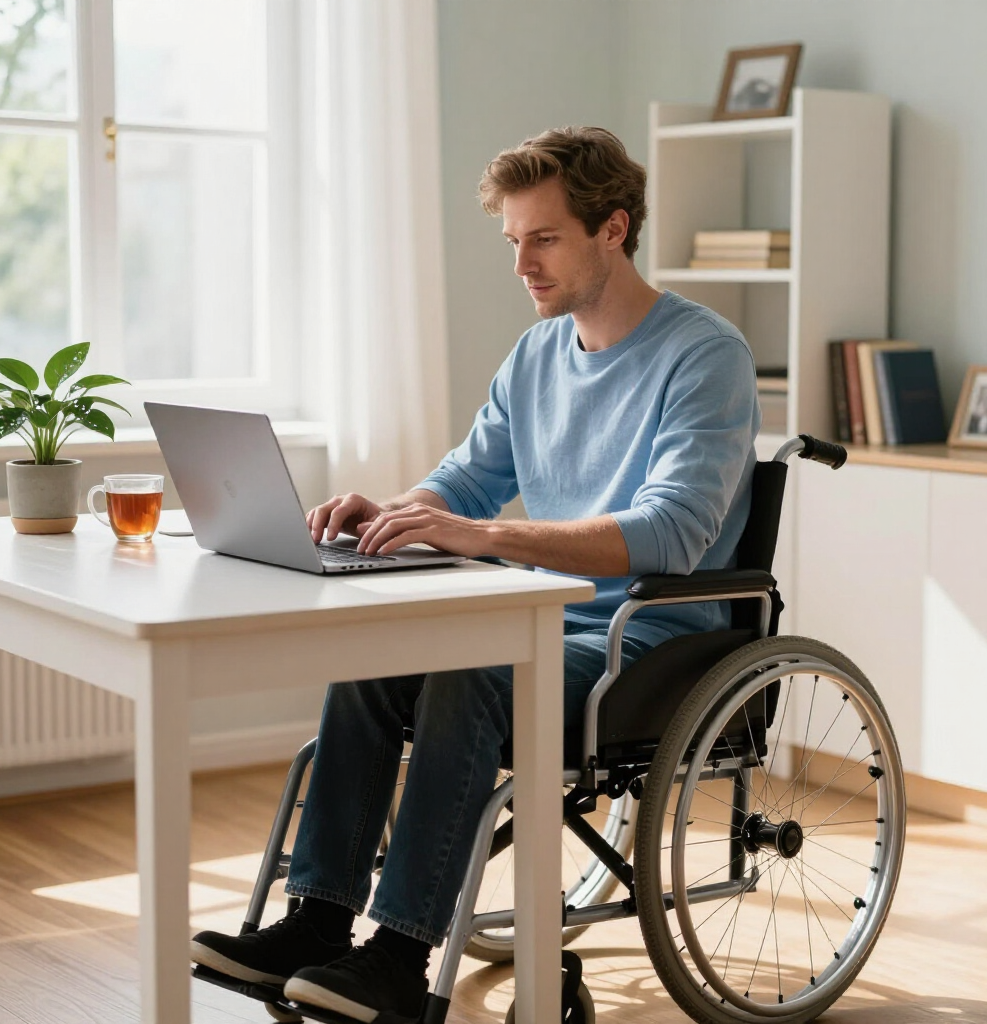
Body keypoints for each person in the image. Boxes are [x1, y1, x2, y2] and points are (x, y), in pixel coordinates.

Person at [190, 126, 761, 1022]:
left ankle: (400, 960)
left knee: (470, 673)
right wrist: (393, 512)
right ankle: (317, 922)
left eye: (544, 239)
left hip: (640, 642)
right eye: (513, 242)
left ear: (613, 229)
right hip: (536, 616)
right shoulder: (537, 355)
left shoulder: (705, 355)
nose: (522, 264)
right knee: (379, 651)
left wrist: (485, 536)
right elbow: (465, 479)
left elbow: (671, 533)